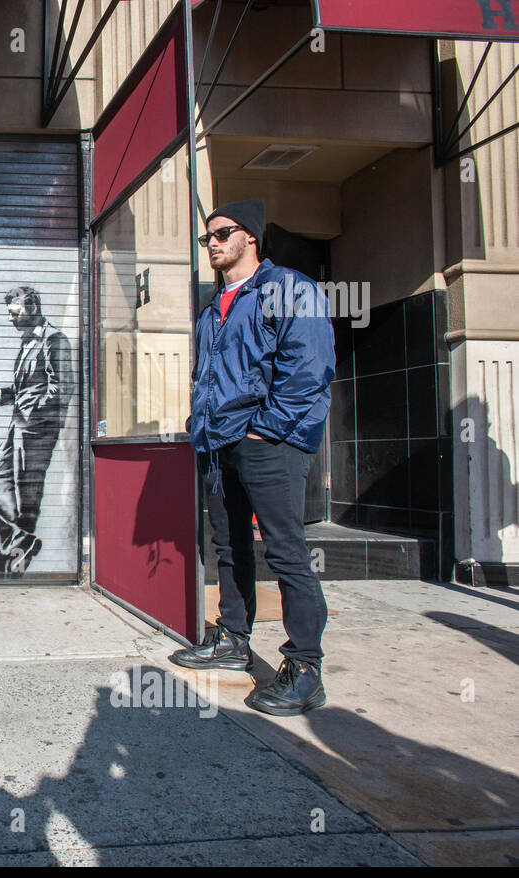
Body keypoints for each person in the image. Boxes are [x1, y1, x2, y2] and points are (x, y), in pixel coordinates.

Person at [174, 199, 335, 716]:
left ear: (252, 237)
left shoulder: (290, 289)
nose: (213, 243)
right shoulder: (213, 307)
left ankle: (305, 669)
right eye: (208, 238)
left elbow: (309, 368)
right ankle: (233, 639)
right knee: (230, 545)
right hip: (218, 443)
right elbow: (211, 377)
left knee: (287, 552)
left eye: (223, 233)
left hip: (269, 442)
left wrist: (266, 432)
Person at [0, 286, 72, 577]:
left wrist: (32, 412)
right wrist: (1, 394)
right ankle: (18, 543)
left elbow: (62, 389)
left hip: (37, 428)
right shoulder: (28, 342)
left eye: (13, 313)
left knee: (26, 492)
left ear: (31, 309)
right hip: (20, 424)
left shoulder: (54, 340)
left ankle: (13, 556)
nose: (10, 319)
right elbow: (24, 388)